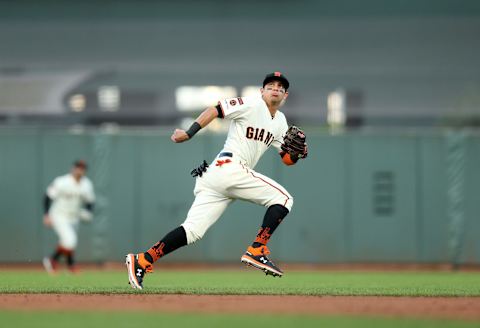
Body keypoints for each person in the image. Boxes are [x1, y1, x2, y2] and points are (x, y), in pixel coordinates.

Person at [126, 72, 308, 289]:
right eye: (270, 85)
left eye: (280, 86)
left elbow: (286, 159)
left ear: (285, 95)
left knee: (193, 231)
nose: (275, 88)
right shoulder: (251, 104)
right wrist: (189, 133)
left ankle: (143, 259)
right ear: (262, 91)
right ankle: (257, 249)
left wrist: (297, 153)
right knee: (284, 199)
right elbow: (216, 109)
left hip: (220, 176)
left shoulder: (280, 122)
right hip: (230, 168)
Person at [42, 160, 95, 274]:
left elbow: (90, 202)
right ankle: (52, 260)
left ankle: (69, 265)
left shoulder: (87, 184)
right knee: (69, 240)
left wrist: (88, 212)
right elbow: (47, 196)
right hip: (58, 215)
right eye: (78, 167)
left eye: (82, 168)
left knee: (68, 242)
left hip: (74, 217)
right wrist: (46, 214)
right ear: (73, 168)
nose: (80, 170)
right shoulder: (62, 181)